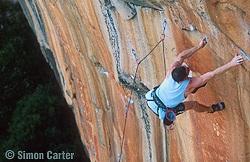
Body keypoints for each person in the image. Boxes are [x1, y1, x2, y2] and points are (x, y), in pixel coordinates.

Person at [145, 38, 244, 130]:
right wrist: (232, 63)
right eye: (187, 70)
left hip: (153, 97)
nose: (187, 67)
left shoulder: (172, 70)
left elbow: (181, 56)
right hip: (164, 109)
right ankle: (210, 109)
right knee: (193, 104)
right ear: (184, 79)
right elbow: (212, 74)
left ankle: (194, 91)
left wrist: (199, 46)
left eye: (185, 67)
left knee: (196, 85)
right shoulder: (189, 84)